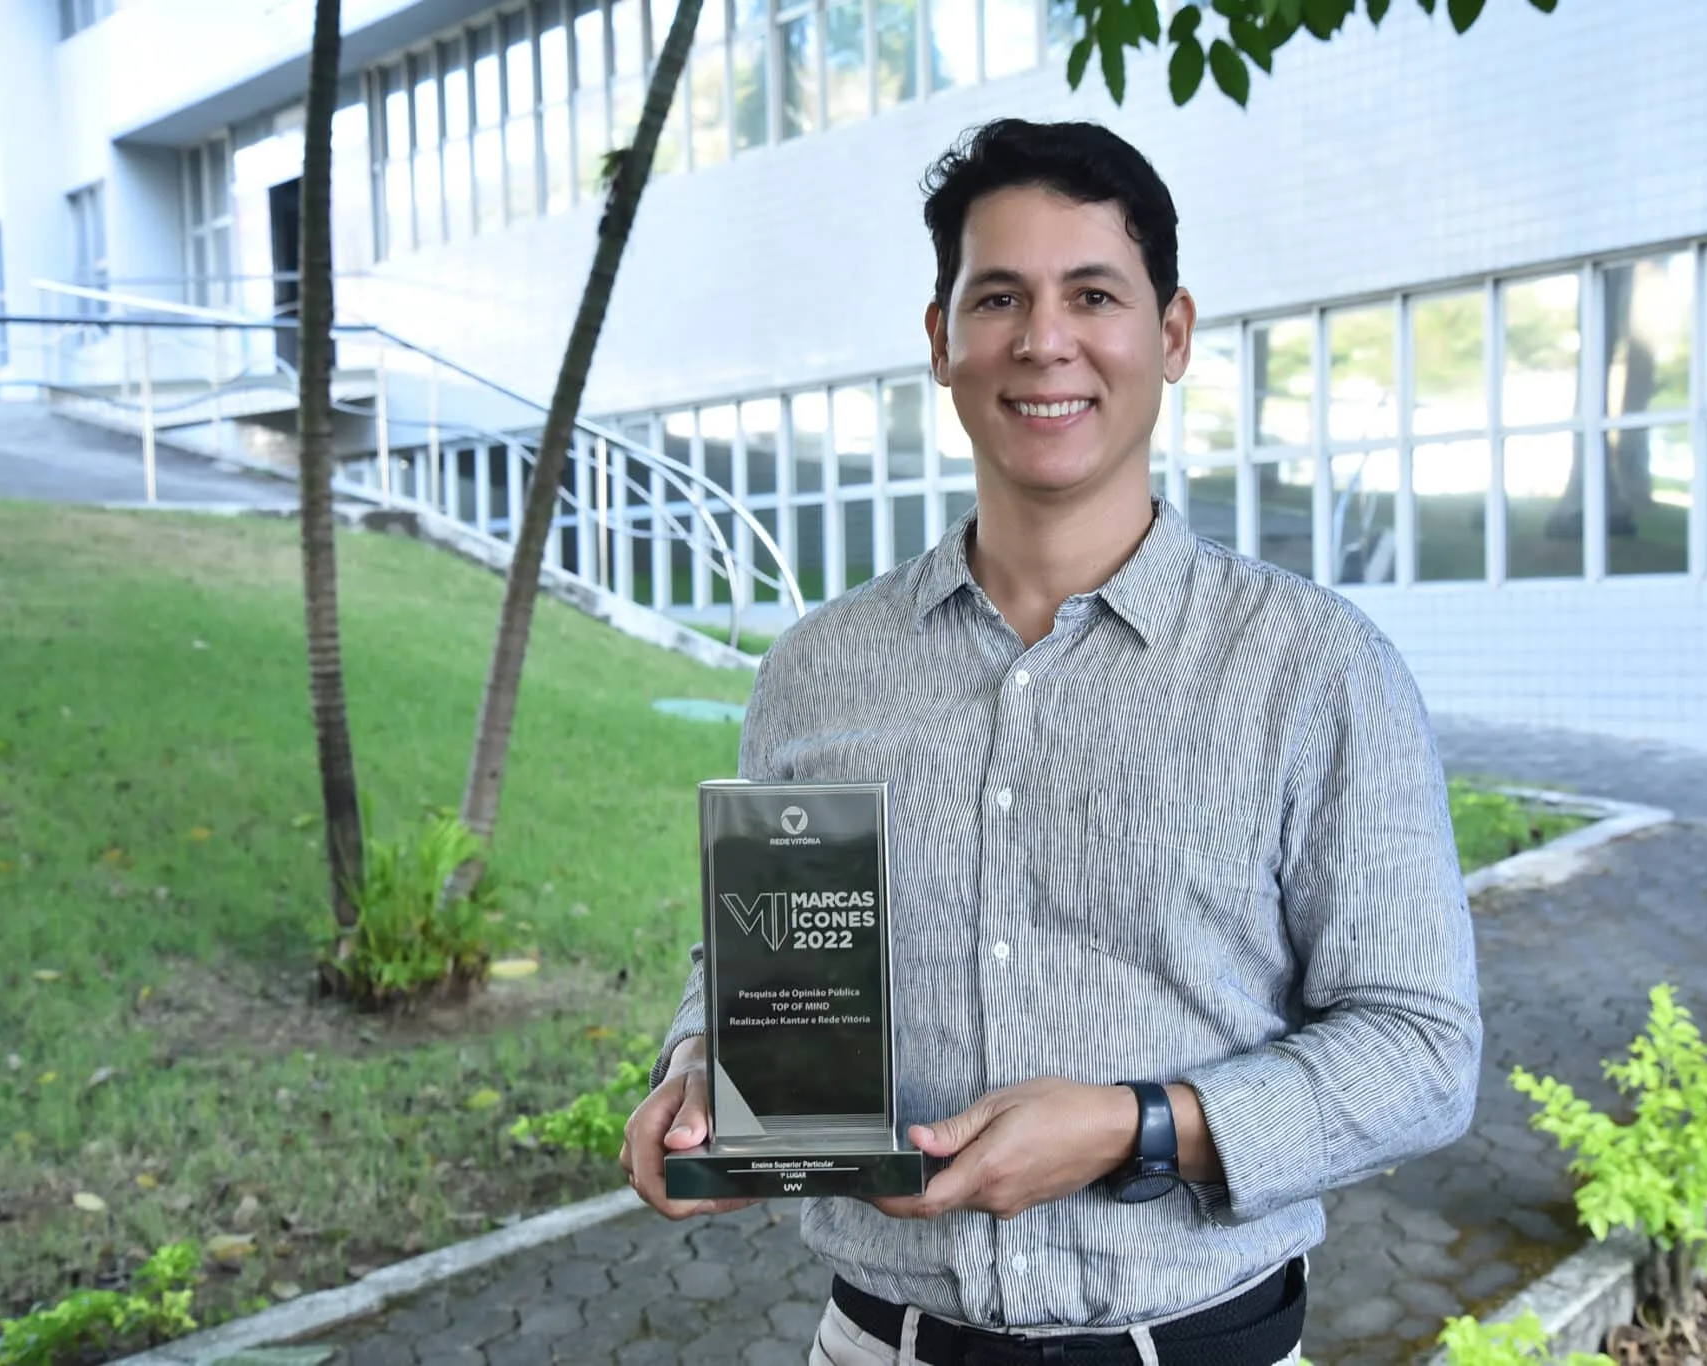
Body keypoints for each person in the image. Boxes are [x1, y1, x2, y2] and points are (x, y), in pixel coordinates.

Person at [621, 117, 1482, 1366]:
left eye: (1092, 293)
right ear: (941, 340)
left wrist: (1140, 1124)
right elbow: (754, 961)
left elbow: (1419, 1050)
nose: (1043, 341)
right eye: (998, 297)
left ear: (1170, 335)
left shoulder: (1315, 671)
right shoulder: (817, 672)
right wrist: (706, 1063)